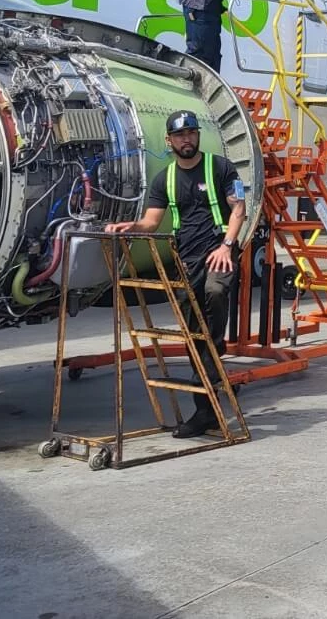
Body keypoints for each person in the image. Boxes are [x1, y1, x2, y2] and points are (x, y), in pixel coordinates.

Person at [104, 110, 248, 438]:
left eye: (192, 133)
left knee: (214, 294)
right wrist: (132, 227)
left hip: (218, 252)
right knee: (192, 335)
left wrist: (227, 245)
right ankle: (207, 404)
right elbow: (151, 222)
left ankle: (215, 348)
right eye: (180, 135)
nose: (187, 139)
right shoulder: (164, 179)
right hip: (187, 259)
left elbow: (239, 208)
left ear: (198, 136)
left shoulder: (220, 167)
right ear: (169, 141)